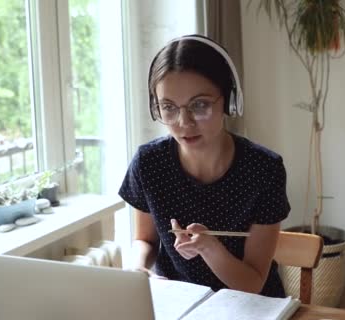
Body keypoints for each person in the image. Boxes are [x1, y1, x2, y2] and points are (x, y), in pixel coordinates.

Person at [118, 34, 290, 298]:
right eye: (169, 107)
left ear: (230, 101)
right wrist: (137, 266)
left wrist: (210, 248)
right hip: (180, 302)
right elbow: (146, 240)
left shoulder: (264, 169)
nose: (184, 122)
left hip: (250, 306)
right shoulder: (149, 163)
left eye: (200, 105)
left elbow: (253, 282)